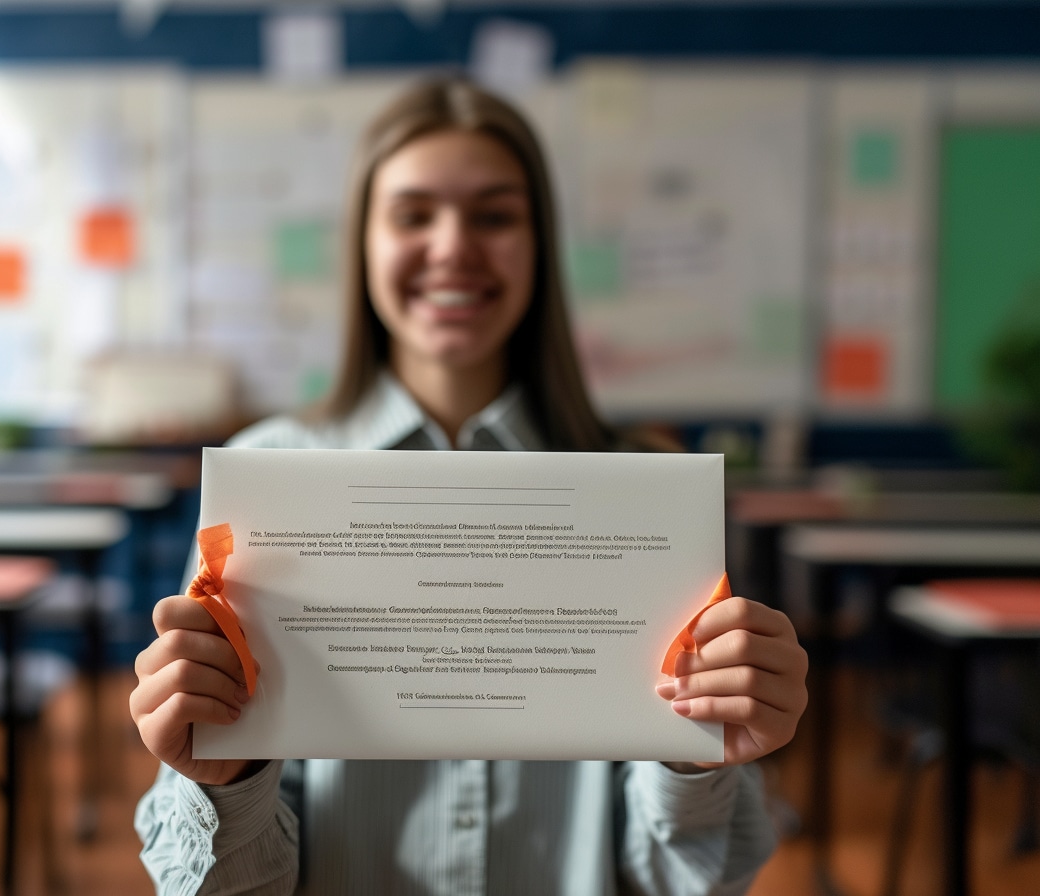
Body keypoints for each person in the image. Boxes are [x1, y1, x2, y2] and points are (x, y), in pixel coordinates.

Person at [130, 77, 808, 895]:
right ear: (365, 244)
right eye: (413, 214)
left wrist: (695, 759)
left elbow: (679, 880)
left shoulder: (641, 492)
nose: (453, 246)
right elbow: (214, 885)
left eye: (494, 215)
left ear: (539, 244)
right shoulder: (265, 480)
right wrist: (225, 780)